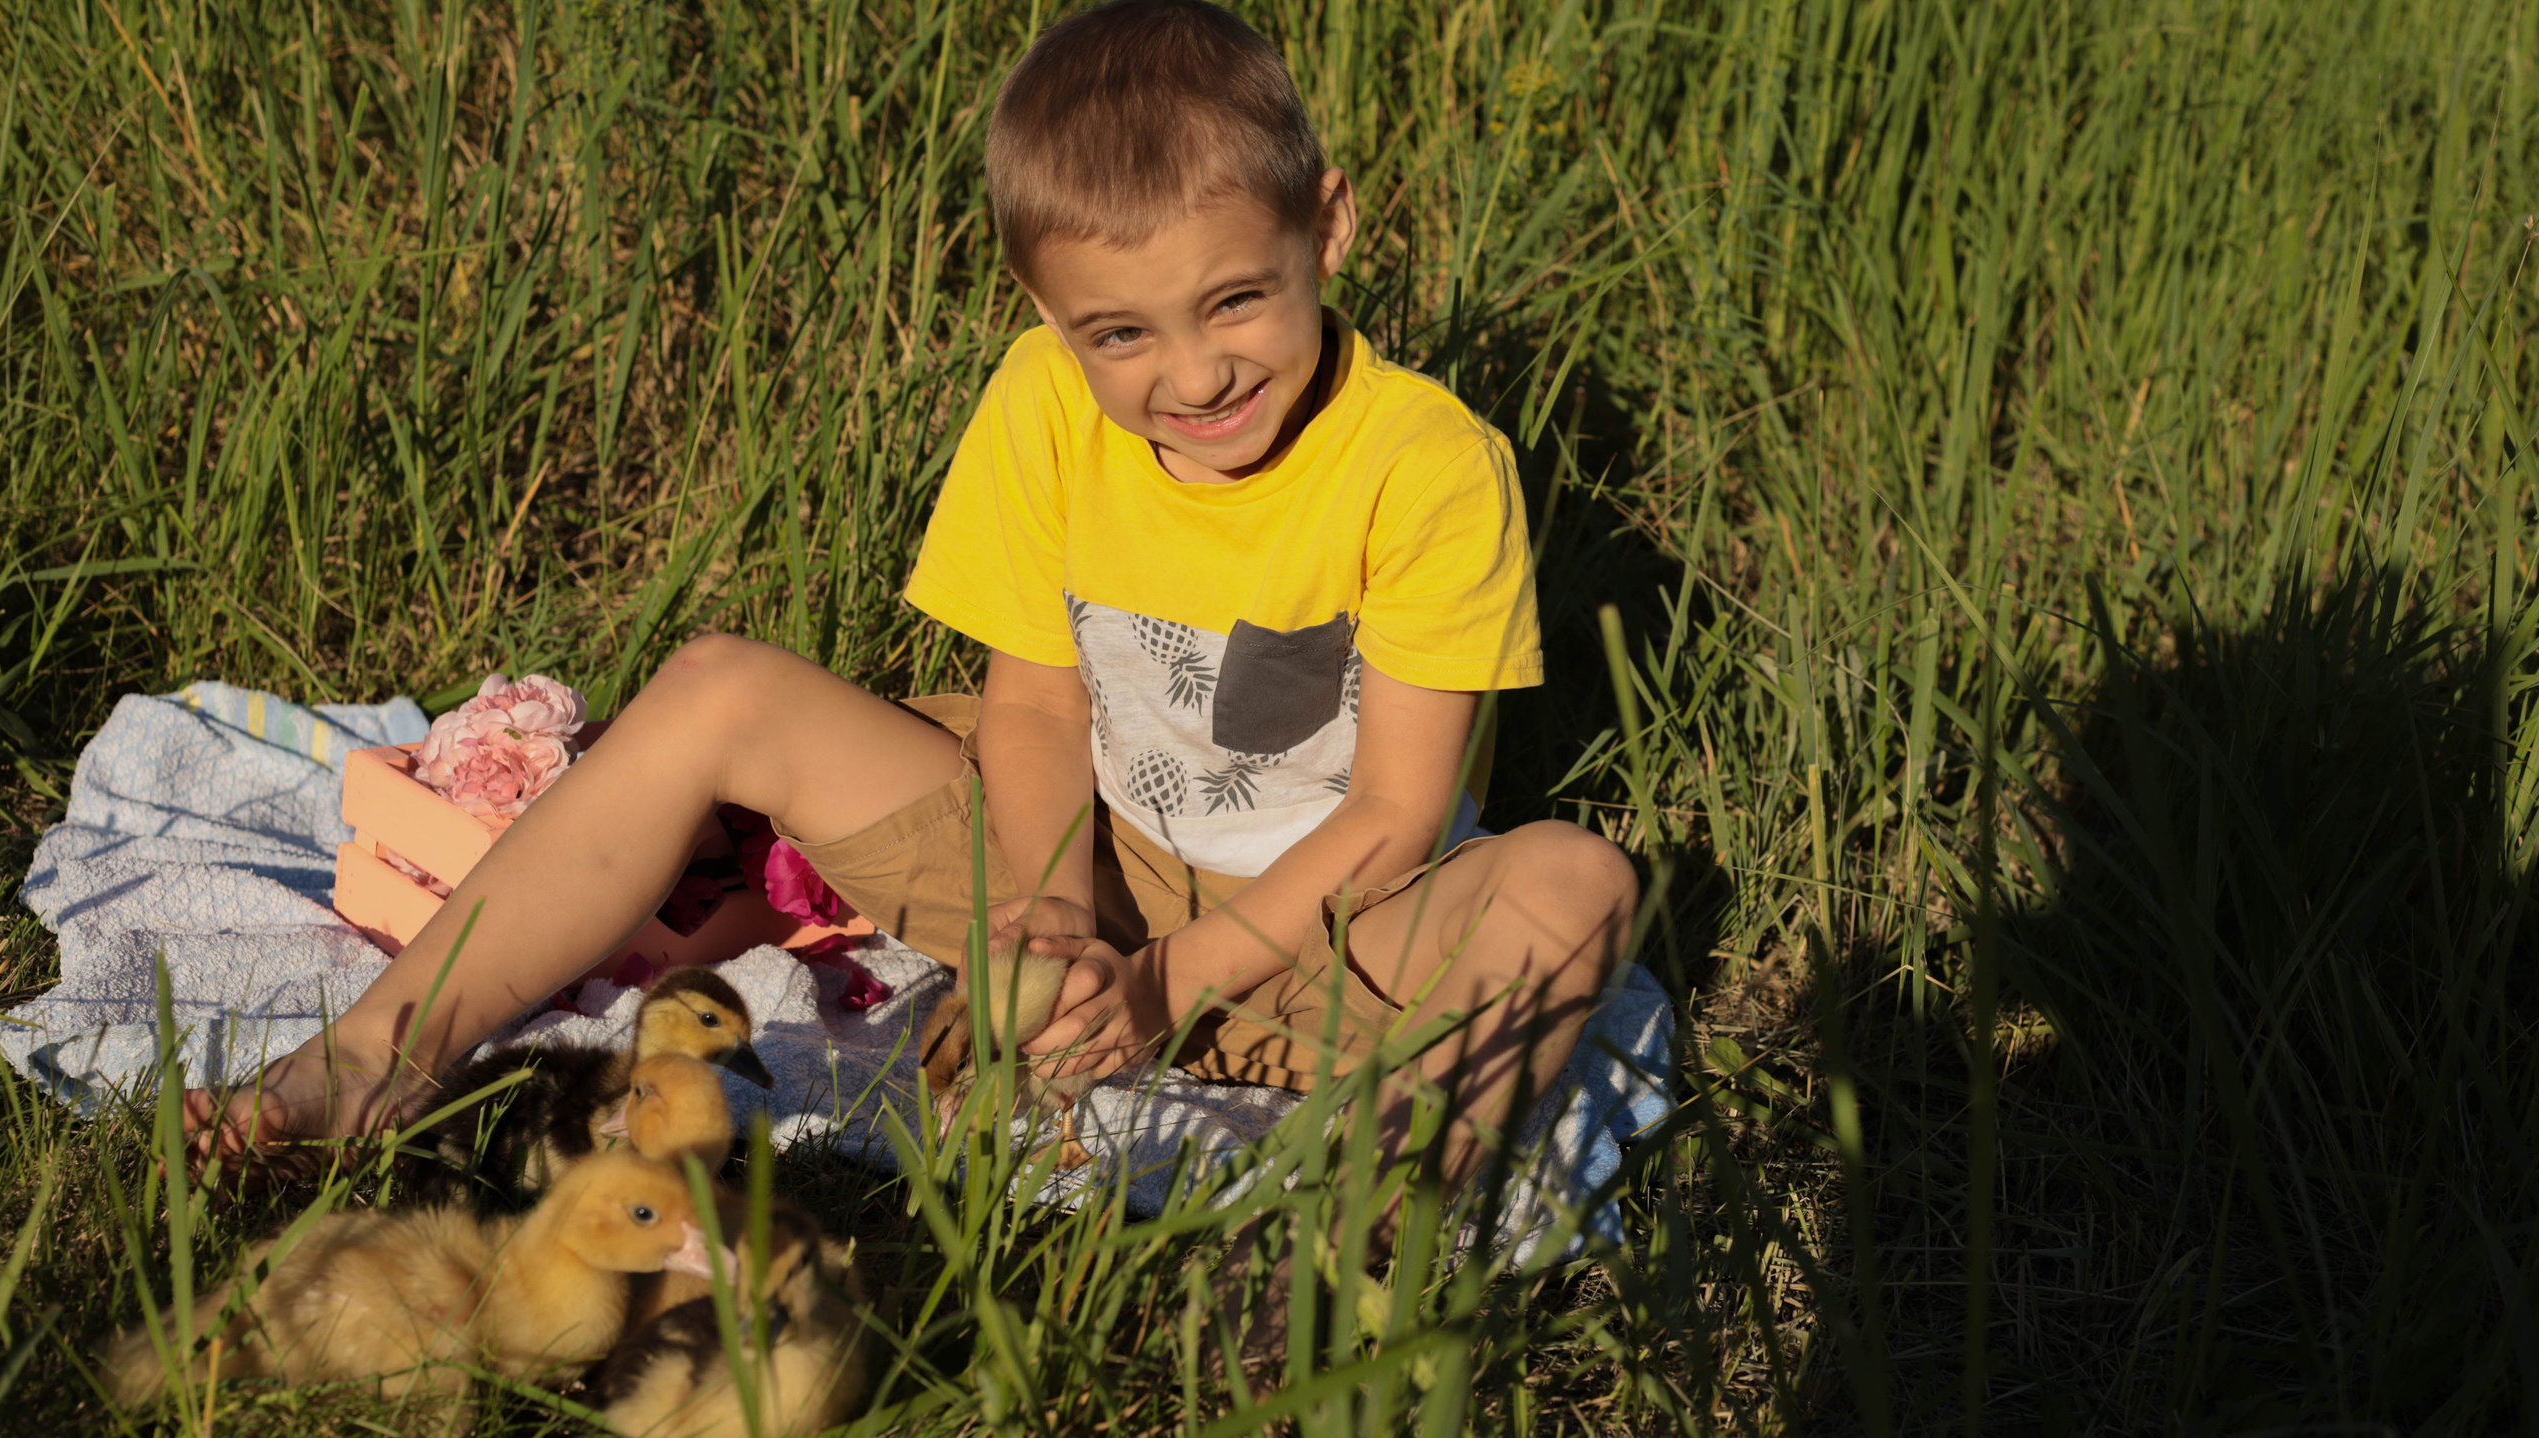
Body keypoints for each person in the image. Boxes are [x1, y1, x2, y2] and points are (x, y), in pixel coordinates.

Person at [188, 0, 1634, 1261]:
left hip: (1338, 921)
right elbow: (1036, 705)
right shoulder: (1044, 399)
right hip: (1098, 854)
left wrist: (1165, 987)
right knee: (717, 687)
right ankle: (384, 1048)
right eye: (1119, 333)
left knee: (1577, 883)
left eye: (1237, 303)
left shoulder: (1428, 464)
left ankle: (1361, 1220)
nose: (1192, 375)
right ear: (1047, 310)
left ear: (1327, 225)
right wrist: (1053, 907)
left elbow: (1391, 811)